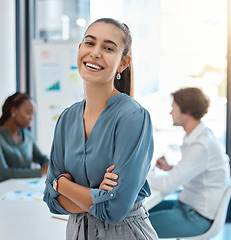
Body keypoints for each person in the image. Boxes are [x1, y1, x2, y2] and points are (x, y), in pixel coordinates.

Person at [43, 18, 158, 239]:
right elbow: (51, 201)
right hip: (77, 232)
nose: (95, 53)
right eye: (89, 43)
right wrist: (96, 195)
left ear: (123, 63)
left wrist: (62, 184)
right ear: (80, 49)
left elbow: (114, 209)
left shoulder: (133, 117)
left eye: (108, 48)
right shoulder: (67, 118)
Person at [147, 87, 230, 238]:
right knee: (135, 214)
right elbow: (196, 170)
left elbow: (166, 186)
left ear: (187, 112)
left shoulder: (201, 146)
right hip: (186, 207)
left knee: (134, 227)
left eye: (173, 108)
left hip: (195, 217)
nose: (170, 113)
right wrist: (170, 168)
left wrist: (143, 175)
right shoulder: (200, 136)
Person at [0, 91, 49, 186]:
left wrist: (51, 165)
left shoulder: (27, 135)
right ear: (14, 110)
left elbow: (42, 159)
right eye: (28, 113)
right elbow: (4, 174)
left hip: (22, 189)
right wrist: (40, 171)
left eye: (33, 114)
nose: (31, 118)